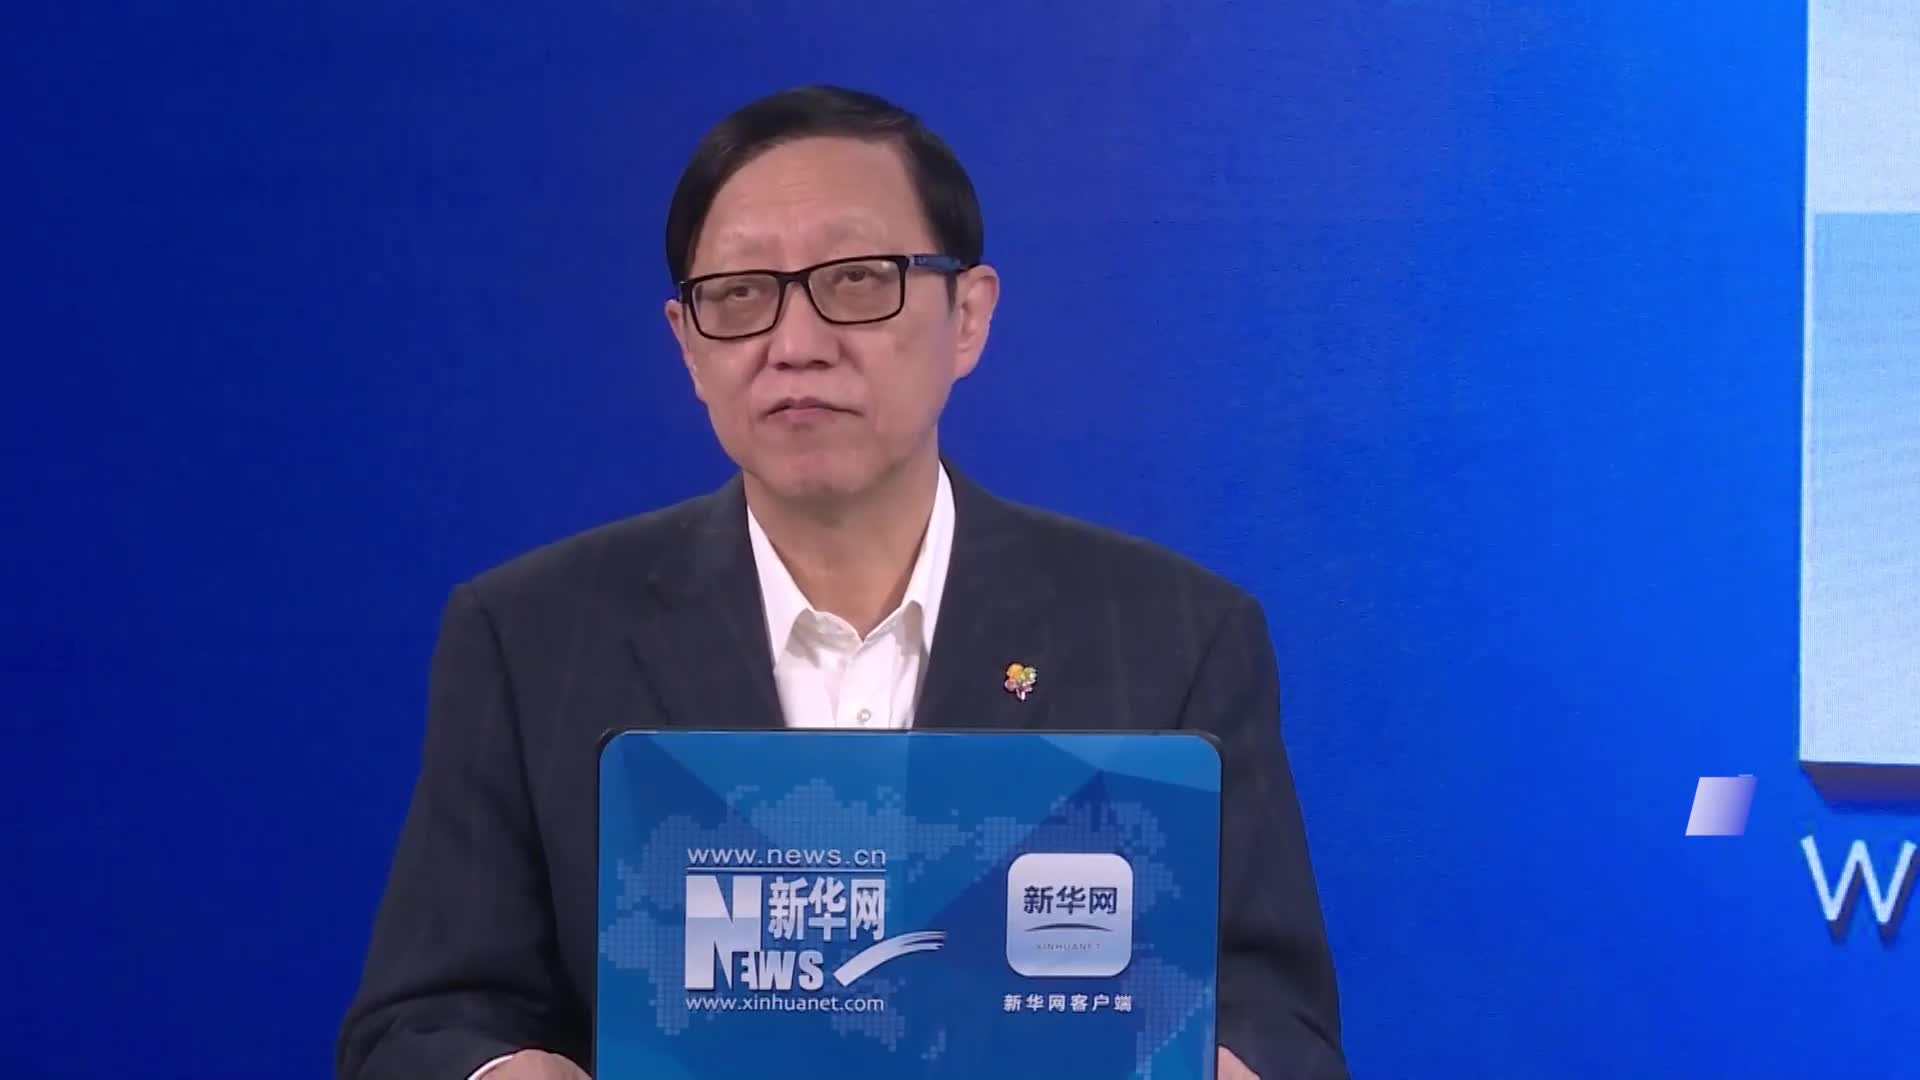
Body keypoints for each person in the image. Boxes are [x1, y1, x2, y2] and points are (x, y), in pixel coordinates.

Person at [336, 85, 1347, 1080]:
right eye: (739, 295)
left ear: (968, 315)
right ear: (687, 344)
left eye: (858, 280)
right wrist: (495, 1071)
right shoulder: (531, 638)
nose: (796, 344)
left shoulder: (1174, 637)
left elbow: (1279, 1020)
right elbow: (419, 1024)